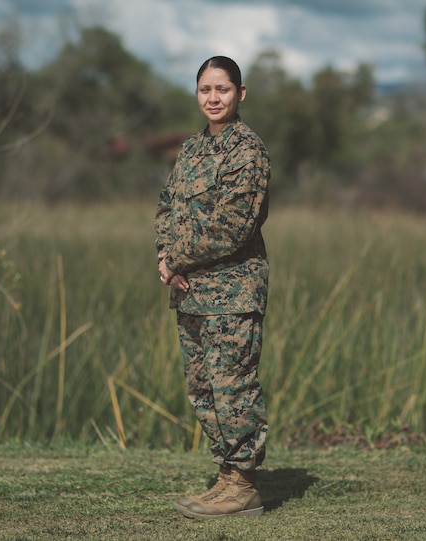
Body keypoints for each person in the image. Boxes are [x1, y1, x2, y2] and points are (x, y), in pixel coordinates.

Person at [155, 55, 270, 519]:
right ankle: (224, 477)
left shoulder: (248, 151)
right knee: (203, 389)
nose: (213, 98)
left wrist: (177, 256)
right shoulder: (191, 149)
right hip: (190, 291)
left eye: (223, 89)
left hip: (233, 293)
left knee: (233, 388)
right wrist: (164, 258)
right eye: (205, 89)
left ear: (240, 94)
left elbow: (232, 225)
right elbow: (167, 207)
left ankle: (244, 486)